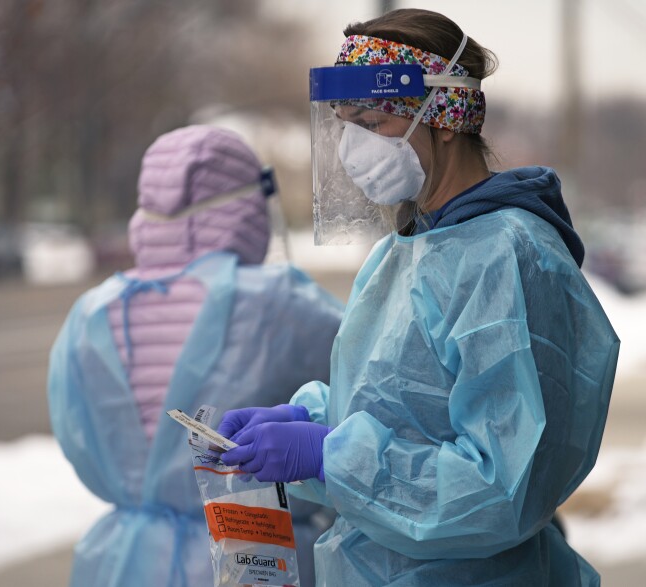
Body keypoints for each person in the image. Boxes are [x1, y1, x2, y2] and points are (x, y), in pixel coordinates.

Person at [217, 9, 620, 586]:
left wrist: (332, 455)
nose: (353, 148)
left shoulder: (505, 257)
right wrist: (311, 420)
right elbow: (407, 403)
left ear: (446, 116)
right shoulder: (404, 252)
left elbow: (499, 487)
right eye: (343, 122)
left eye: (373, 121)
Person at [47, 125, 343, 587]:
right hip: (256, 558)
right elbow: (370, 394)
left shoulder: (90, 314)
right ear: (249, 206)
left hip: (120, 563)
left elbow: (74, 435)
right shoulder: (283, 303)